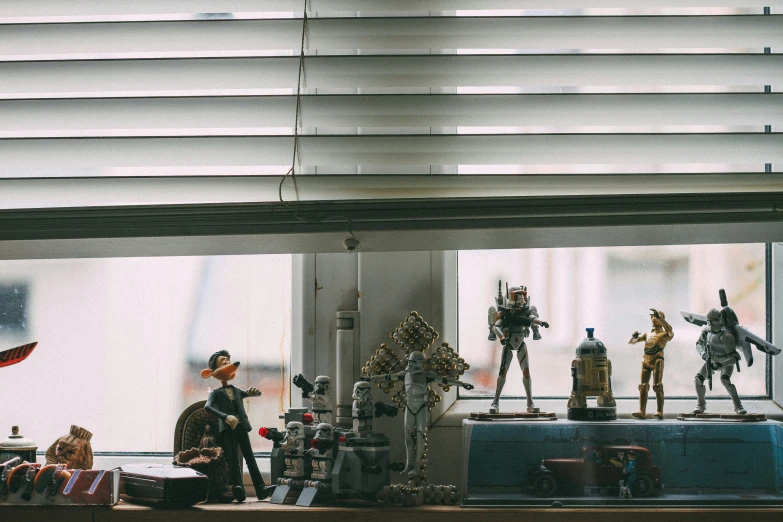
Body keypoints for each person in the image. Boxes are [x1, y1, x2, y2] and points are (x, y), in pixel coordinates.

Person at [202, 350, 276, 502]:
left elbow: (247, 393)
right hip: (227, 429)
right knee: (233, 459)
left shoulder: (236, 390)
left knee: (249, 456)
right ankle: (238, 487)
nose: (227, 364)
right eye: (223, 362)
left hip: (241, 426)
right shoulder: (215, 394)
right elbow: (207, 407)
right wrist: (225, 417)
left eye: (228, 361)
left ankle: (260, 488)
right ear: (213, 372)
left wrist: (252, 393)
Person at [628, 309, 674, 419]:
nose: (653, 318)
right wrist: (634, 337)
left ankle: (659, 411)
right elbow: (632, 342)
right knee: (643, 386)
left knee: (657, 385)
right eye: (652, 317)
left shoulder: (664, 334)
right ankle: (641, 411)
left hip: (657, 359)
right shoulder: (648, 334)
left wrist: (661, 319)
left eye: (656, 317)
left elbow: (671, 332)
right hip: (646, 359)